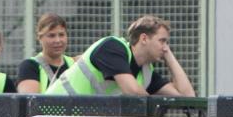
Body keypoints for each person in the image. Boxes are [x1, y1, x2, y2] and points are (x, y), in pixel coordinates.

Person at [45, 15, 195, 97]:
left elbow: (187, 97)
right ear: (144, 39)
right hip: (52, 115)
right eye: (162, 41)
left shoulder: (145, 74)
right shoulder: (113, 47)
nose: (165, 47)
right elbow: (133, 91)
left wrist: (169, 55)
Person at [14, 13, 73, 93]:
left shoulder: (74, 64)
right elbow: (30, 102)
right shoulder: (29, 66)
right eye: (51, 36)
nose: (58, 40)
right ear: (40, 38)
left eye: (61, 35)